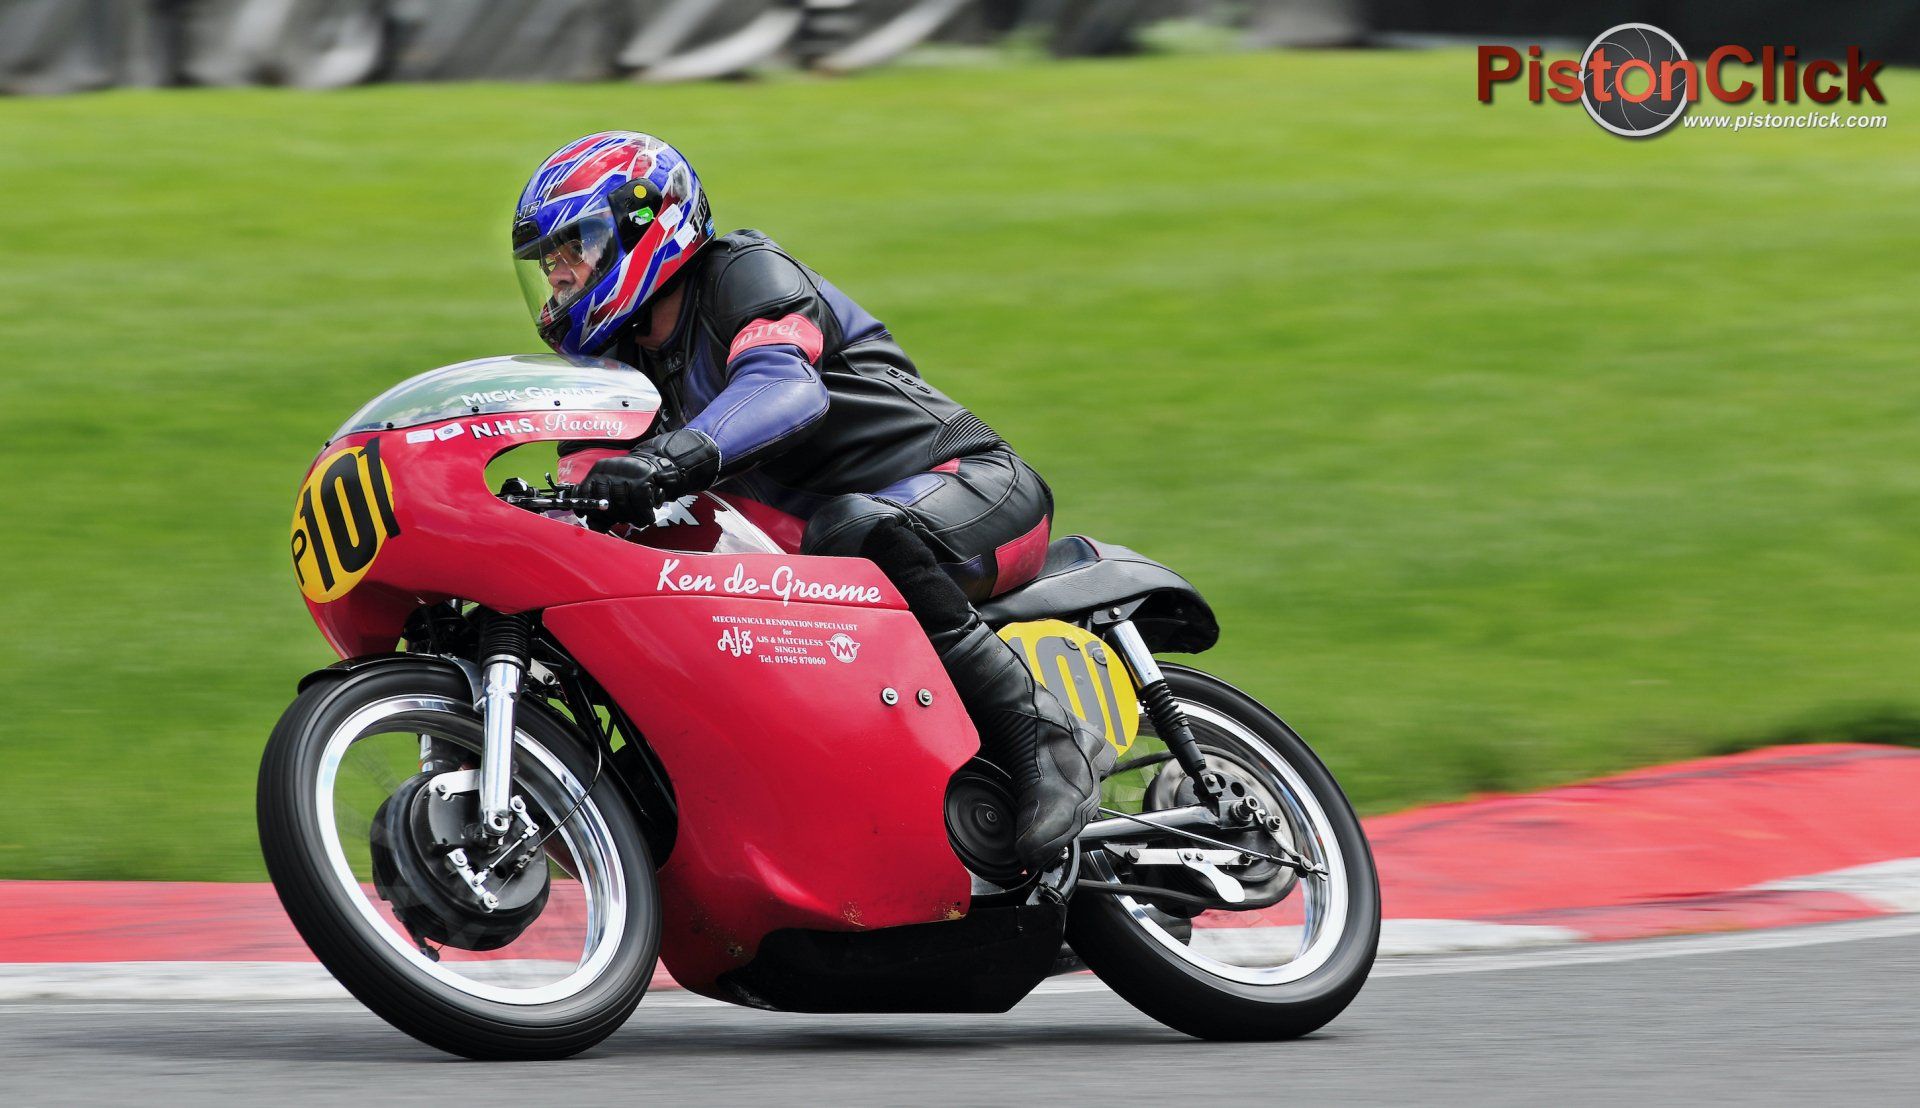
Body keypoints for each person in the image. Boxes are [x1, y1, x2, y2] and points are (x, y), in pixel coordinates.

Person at [512, 131, 1112, 871]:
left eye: (576, 248)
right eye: (550, 263)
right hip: (829, 562)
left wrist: (669, 457)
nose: (562, 275)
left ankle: (1049, 739)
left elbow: (785, 388)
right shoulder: (614, 370)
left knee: (853, 528)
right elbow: (584, 501)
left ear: (646, 225)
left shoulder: (742, 273)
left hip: (972, 488)